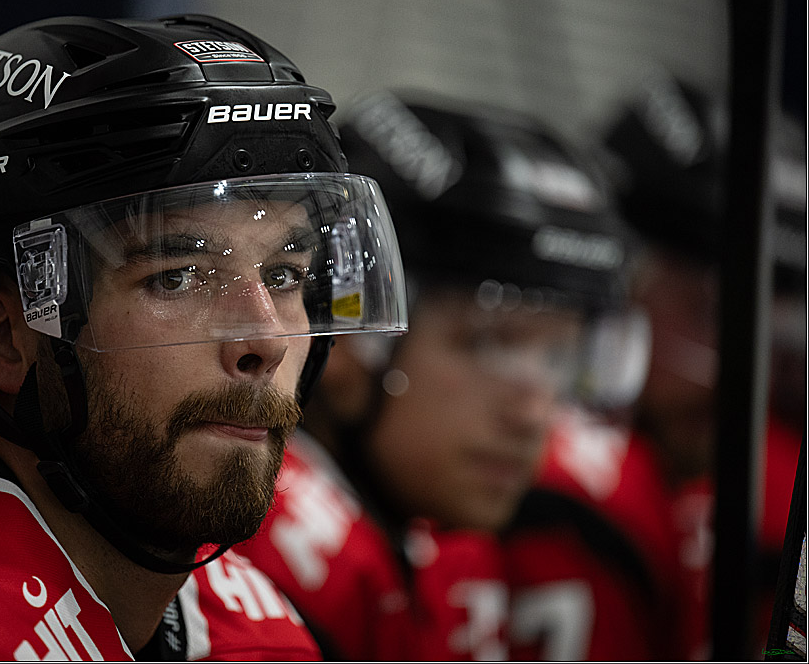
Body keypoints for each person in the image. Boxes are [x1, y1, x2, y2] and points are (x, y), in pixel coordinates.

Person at [0, 15, 408, 661]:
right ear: (4, 339)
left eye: (284, 275)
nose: (266, 341)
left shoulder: (252, 627)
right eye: (177, 279)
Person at [237, 90, 643, 660]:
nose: (532, 413)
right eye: (486, 342)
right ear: (354, 334)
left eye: (559, 357)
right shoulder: (253, 545)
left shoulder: (450, 545)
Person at [587, 71, 804, 658]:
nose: (738, 374)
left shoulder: (775, 489)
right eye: (712, 312)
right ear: (618, 283)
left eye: (771, 330)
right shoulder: (552, 483)